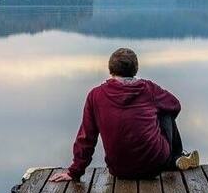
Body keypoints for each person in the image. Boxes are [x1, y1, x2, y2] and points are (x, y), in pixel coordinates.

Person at [49, 48, 199, 183]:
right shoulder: (149, 89)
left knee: (162, 107)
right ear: (135, 69)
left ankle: (175, 158)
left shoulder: (95, 95)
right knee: (166, 109)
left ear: (110, 69)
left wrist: (75, 171)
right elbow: (175, 105)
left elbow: (87, 137)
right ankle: (175, 157)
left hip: (119, 170)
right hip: (155, 165)